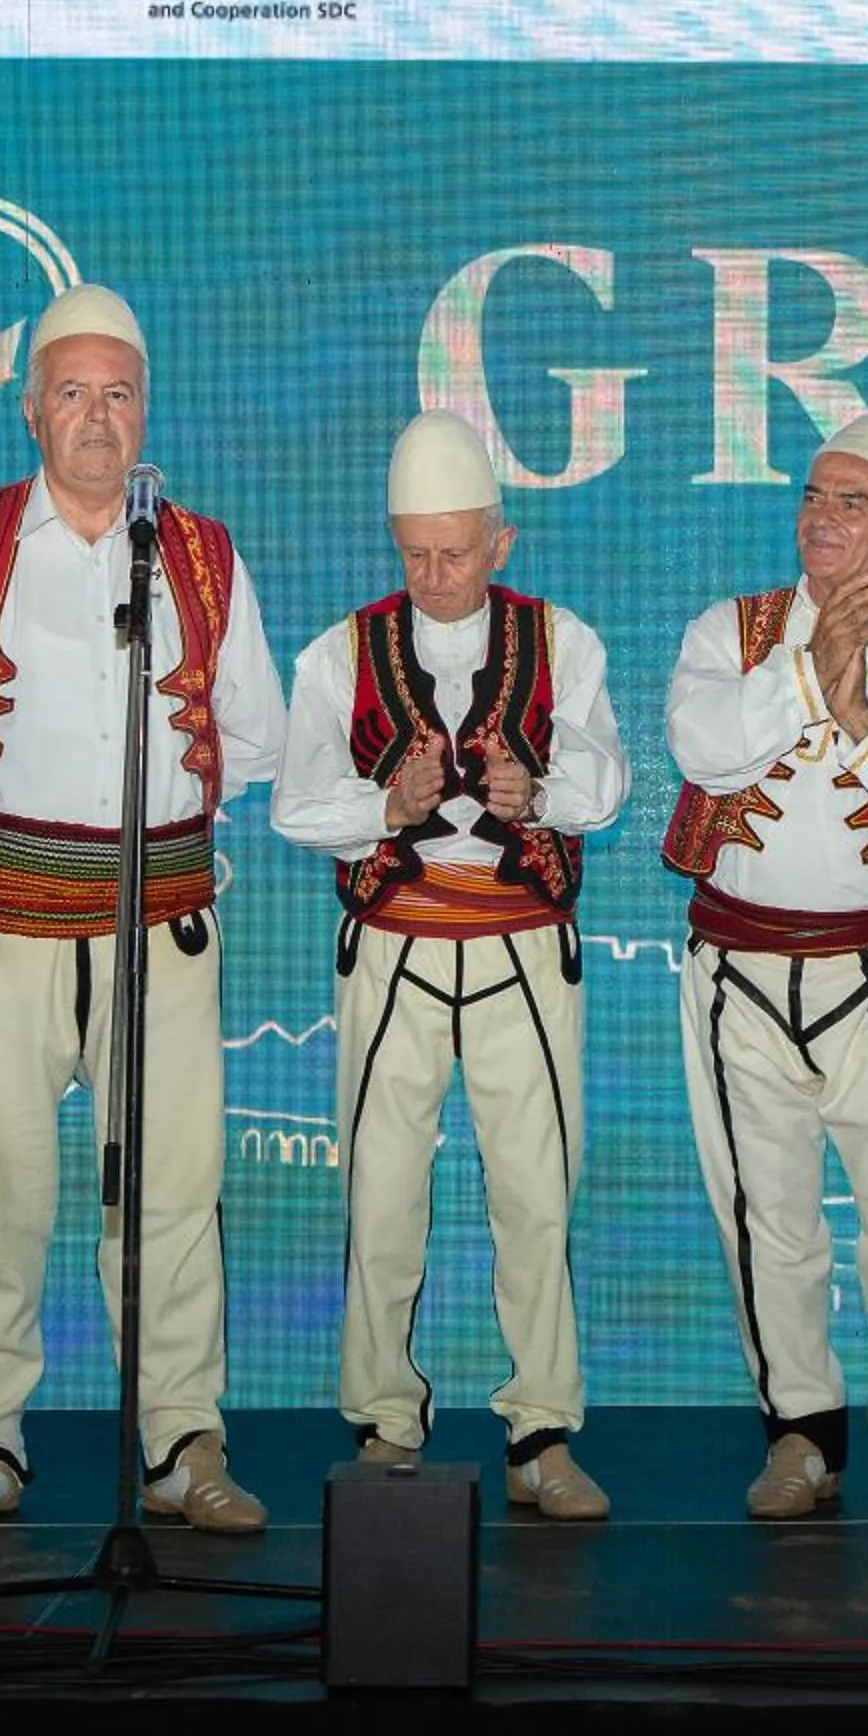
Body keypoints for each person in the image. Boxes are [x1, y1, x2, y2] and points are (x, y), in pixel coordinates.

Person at [0, 285, 287, 1539]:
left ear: (146, 411)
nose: (95, 415)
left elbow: (258, 733)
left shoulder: (196, 551)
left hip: (162, 925)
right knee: (0, 1185)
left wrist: (184, 768)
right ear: (28, 407)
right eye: (72, 390)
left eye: (118, 391)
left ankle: (183, 1438)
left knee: (175, 1190)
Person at [270, 414, 629, 1519]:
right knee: (380, 1186)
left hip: (524, 940)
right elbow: (293, 805)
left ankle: (543, 1427)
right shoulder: (340, 649)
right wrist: (390, 803)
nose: (432, 574)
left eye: (455, 551)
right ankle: (385, 1411)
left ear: (501, 541)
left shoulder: (564, 641)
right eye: (414, 551)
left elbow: (610, 781)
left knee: (536, 1188)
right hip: (395, 942)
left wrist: (541, 794)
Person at [662, 412, 868, 1519]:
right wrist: (811, 675)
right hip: (738, 970)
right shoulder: (729, 629)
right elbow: (699, 746)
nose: (823, 517)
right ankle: (798, 1429)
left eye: (853, 502)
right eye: (814, 495)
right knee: (767, 1209)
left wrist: (864, 724)